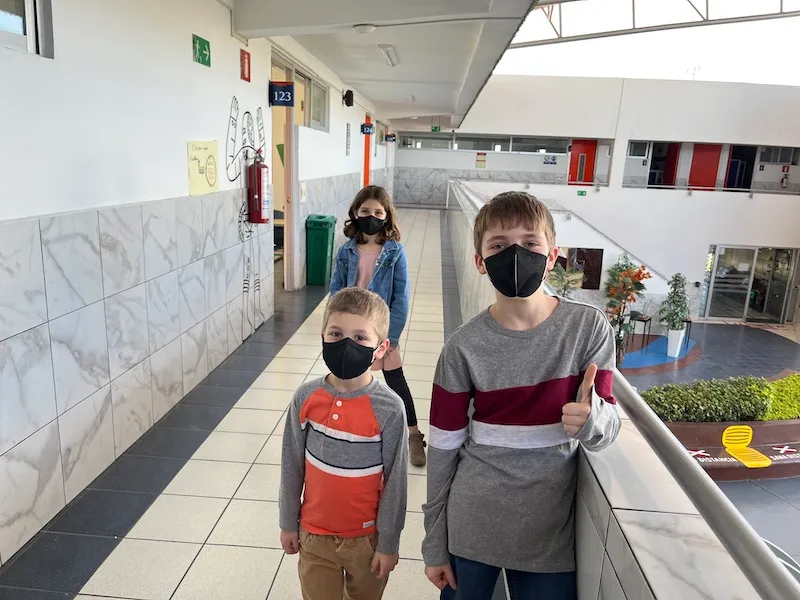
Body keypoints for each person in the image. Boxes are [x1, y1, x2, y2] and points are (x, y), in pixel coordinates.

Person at [421, 191, 621, 600]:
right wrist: (434, 544)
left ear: (552, 256)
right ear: (480, 261)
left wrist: (591, 420)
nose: (516, 254)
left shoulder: (588, 329)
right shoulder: (462, 347)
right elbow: (442, 449)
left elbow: (609, 425)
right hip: (471, 524)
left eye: (530, 243)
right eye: (498, 245)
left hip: (548, 534)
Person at [279, 287, 409, 600]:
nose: (346, 344)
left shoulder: (389, 408)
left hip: (366, 540)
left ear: (380, 348)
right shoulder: (305, 398)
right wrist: (288, 522)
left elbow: (396, 482)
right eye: (336, 334)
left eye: (361, 337)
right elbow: (291, 465)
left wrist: (388, 544)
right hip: (313, 535)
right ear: (322, 335)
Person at [329, 185, 427, 467]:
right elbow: (335, 288)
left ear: (386, 216)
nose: (371, 216)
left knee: (396, 382)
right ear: (355, 214)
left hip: (381, 328)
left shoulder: (395, 252)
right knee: (347, 380)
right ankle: (347, 432)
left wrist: (392, 337)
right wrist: (334, 327)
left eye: (377, 212)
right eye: (365, 211)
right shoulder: (346, 250)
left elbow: (401, 296)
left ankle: (413, 433)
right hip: (351, 328)